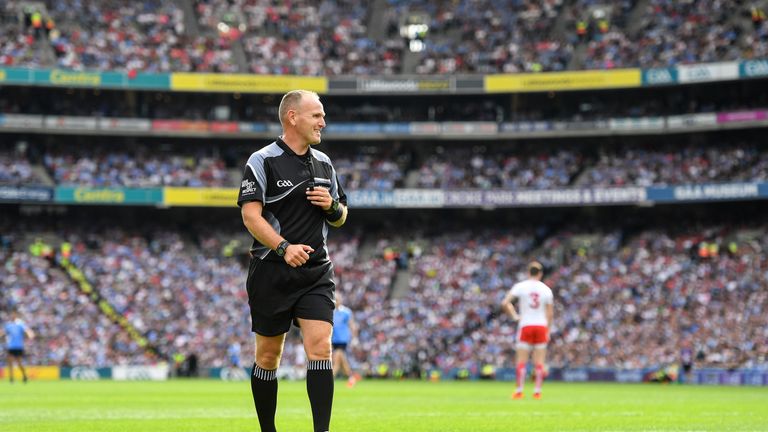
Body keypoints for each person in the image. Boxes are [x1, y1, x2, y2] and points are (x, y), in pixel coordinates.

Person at [238, 89, 348, 432]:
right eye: (316, 115)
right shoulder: (262, 160)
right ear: (293, 117)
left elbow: (342, 216)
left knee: (321, 347)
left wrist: (331, 205)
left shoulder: (324, 163)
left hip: (316, 272)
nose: (323, 122)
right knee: (269, 356)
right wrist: (285, 247)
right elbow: (251, 217)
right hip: (272, 271)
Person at [500, 261, 554, 400]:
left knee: (521, 361)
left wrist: (514, 317)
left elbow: (505, 303)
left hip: (526, 325)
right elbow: (550, 314)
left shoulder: (521, 286)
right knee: (539, 362)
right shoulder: (546, 289)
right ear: (540, 274)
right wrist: (548, 331)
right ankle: (537, 391)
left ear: (528, 272)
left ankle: (519, 390)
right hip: (541, 326)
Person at [331, 293, 360, 388]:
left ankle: (329, 380)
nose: (336, 301)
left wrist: (355, 338)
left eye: (337, 299)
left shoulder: (346, 312)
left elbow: (352, 325)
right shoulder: (331, 312)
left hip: (343, 339)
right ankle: (351, 378)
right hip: (334, 339)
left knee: (336, 359)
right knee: (341, 361)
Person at [2, 310, 35, 383]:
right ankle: (11, 378)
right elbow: (3, 333)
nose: (12, 316)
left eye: (13, 314)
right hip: (11, 346)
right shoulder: (8, 325)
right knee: (10, 362)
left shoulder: (20, 324)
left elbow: (27, 330)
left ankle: (24, 375)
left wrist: (30, 334)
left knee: (19, 363)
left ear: (16, 315)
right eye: (11, 314)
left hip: (19, 346)